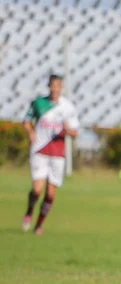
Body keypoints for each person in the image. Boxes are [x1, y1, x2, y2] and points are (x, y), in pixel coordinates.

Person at [21, 74, 80, 235]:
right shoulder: (39, 103)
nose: (55, 89)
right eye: (52, 85)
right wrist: (31, 133)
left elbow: (75, 132)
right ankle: (29, 212)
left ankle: (39, 225)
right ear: (49, 86)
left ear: (61, 88)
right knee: (37, 190)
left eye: (58, 86)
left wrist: (68, 130)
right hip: (40, 150)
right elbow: (26, 120)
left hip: (57, 154)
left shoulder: (67, 107)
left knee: (50, 194)